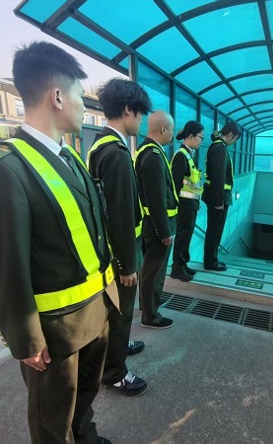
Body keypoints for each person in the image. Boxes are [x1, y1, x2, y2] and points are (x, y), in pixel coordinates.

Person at [0, 42, 112, 443]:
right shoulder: (1, 168)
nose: (84, 106)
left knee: (84, 400)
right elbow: (3, 265)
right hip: (55, 331)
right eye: (80, 95)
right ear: (58, 97)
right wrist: (25, 339)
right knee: (53, 422)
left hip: (94, 312)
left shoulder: (70, 158)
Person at [87, 79, 152, 397]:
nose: (141, 122)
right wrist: (127, 264)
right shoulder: (116, 153)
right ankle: (114, 373)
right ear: (128, 110)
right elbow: (121, 213)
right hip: (120, 253)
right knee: (121, 312)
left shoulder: (100, 145)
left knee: (117, 313)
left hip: (110, 248)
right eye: (140, 114)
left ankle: (119, 347)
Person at [134, 110, 177, 329]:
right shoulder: (153, 156)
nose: (173, 134)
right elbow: (156, 199)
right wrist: (165, 232)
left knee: (150, 268)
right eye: (172, 129)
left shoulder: (147, 150)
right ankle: (150, 316)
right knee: (154, 271)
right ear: (164, 129)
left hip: (153, 223)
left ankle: (148, 307)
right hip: (158, 225)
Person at [202, 122, 241, 271]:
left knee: (214, 230)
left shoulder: (218, 145)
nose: (234, 142)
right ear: (230, 135)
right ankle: (211, 262)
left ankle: (212, 259)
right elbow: (218, 177)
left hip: (217, 196)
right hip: (219, 198)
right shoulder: (220, 148)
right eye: (235, 139)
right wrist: (219, 201)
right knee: (215, 231)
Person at [169, 120, 205, 282]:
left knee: (187, 236)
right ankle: (177, 268)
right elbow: (175, 185)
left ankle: (183, 264)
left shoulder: (188, 155)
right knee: (182, 237)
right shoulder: (181, 156)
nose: (201, 141)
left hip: (190, 205)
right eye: (200, 137)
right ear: (191, 136)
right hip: (183, 206)